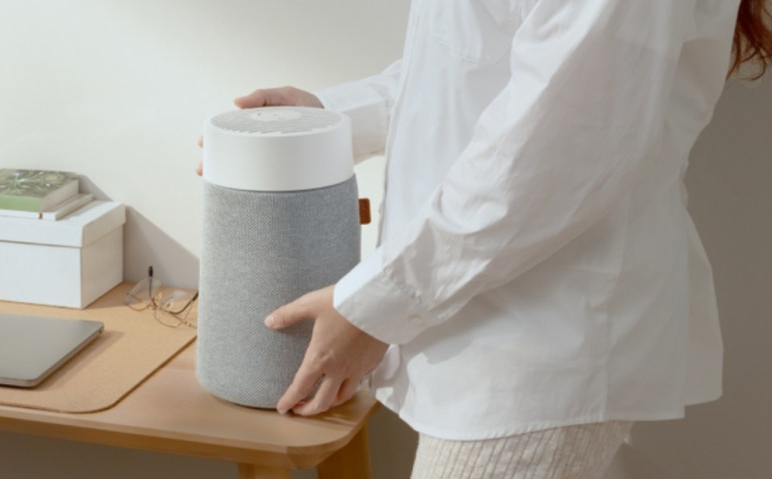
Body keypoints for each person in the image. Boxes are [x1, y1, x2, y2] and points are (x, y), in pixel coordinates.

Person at [203, 1, 772, 477]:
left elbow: (557, 153)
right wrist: (326, 118)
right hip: (480, 320)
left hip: (542, 339)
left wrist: (373, 309)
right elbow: (472, 69)